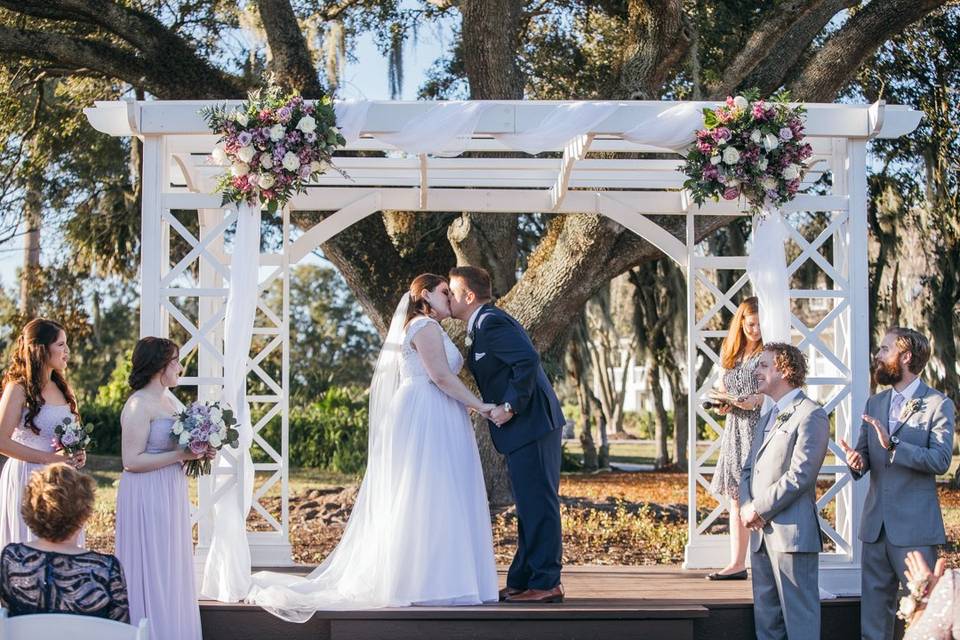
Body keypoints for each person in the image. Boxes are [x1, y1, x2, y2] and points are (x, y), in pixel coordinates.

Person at [248, 273, 499, 618]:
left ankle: (437, 578)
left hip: (437, 410)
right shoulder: (424, 327)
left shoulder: (427, 327)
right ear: (425, 294)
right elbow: (440, 377)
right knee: (426, 491)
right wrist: (481, 406)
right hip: (427, 411)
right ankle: (424, 582)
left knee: (437, 493)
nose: (449, 298)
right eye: (444, 292)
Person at [448, 265, 567, 604]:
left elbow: (528, 361)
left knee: (540, 504)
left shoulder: (491, 322)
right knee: (528, 504)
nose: (449, 298)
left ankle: (547, 582)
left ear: (469, 296)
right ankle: (523, 578)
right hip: (523, 429)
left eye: (452, 292)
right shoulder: (482, 324)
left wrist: (511, 406)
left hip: (532, 424)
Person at [838, 327, 954, 640]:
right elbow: (864, 457)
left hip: (915, 530)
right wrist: (856, 461)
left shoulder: (937, 404)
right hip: (875, 527)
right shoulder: (874, 403)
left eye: (885, 349)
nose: (877, 354)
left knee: (923, 613)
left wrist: (894, 446)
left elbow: (940, 461)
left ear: (905, 357)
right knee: (873, 622)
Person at [115, 337, 207, 640]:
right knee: (152, 563)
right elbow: (131, 460)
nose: (179, 367)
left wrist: (200, 449)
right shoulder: (139, 404)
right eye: (175, 361)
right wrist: (182, 454)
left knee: (170, 564)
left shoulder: (169, 400)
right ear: (158, 366)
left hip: (170, 488)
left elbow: (175, 446)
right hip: (146, 492)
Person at [739, 343, 828, 640]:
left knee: (799, 622)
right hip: (759, 536)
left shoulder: (810, 414)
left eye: (763, 365)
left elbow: (800, 475)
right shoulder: (766, 416)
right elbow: (748, 469)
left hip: (792, 535)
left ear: (784, 370)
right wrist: (744, 505)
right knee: (767, 623)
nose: (756, 371)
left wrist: (758, 508)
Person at [0, 463, 128, 621]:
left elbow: (6, 616)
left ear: (31, 510)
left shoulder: (13, 558)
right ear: (84, 513)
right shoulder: (105, 568)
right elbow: (120, 629)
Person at [0, 318, 86, 549]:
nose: (67, 351)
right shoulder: (17, 388)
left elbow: (70, 434)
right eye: (61, 345)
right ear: (41, 349)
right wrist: (49, 459)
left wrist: (77, 453)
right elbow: (1, 441)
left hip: (61, 481)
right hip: (26, 478)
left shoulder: (64, 389)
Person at [708, 296, 764, 581]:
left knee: (761, 495)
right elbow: (720, 384)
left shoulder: (770, 352)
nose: (755, 329)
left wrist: (755, 400)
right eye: (750, 324)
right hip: (735, 429)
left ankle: (766, 562)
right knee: (735, 496)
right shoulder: (731, 352)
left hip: (759, 427)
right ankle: (737, 562)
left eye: (759, 324)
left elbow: (776, 390)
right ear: (741, 323)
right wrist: (723, 402)